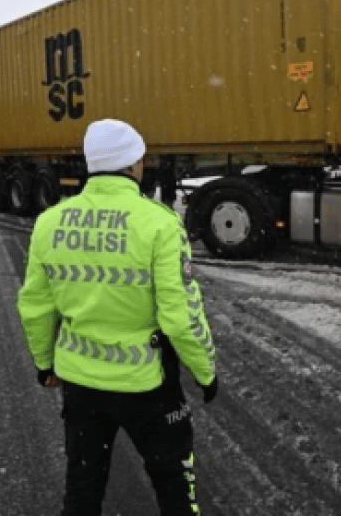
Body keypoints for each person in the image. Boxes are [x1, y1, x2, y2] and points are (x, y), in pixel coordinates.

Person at [18, 118, 219, 515]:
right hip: (147, 385)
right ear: (133, 165)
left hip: (80, 383)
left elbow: (36, 305)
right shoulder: (159, 223)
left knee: (83, 486)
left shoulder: (50, 222)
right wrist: (205, 371)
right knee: (174, 483)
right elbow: (180, 315)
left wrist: (45, 364)